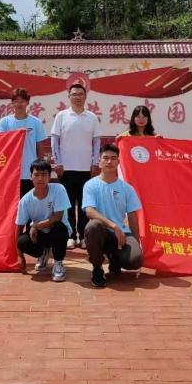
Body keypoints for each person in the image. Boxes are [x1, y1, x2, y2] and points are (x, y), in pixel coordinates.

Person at [83, 143, 143, 288]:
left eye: (113, 158)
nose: (109, 161)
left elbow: (133, 216)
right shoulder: (90, 185)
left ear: (118, 162)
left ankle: (114, 258)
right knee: (93, 226)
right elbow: (89, 211)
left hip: (121, 234)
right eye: (106, 158)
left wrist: (136, 242)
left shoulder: (127, 188)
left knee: (135, 260)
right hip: (102, 232)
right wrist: (113, 226)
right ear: (99, 162)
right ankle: (97, 268)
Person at [51, 83, 101, 250]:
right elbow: (54, 140)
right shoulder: (62, 116)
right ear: (69, 97)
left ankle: (84, 236)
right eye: (74, 94)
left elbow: (96, 141)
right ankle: (71, 236)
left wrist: (95, 162)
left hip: (86, 169)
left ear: (85, 96)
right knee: (69, 204)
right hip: (66, 168)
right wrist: (57, 162)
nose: (77, 97)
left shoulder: (92, 117)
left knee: (85, 204)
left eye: (80, 94)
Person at [15, 159, 71, 281]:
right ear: (31, 177)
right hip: (39, 234)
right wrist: (20, 256)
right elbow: (19, 227)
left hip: (57, 231)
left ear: (49, 177)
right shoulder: (25, 201)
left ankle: (58, 263)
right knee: (22, 241)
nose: (40, 178)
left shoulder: (59, 189)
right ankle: (42, 253)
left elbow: (58, 216)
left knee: (59, 228)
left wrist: (35, 226)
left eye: (44, 175)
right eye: (36, 174)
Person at [0, 87, 47, 197]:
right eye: (16, 101)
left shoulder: (36, 122)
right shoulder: (5, 122)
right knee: (11, 202)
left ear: (27, 102)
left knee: (31, 201)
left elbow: (40, 145)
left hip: (30, 171)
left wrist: (40, 167)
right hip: (11, 171)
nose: (19, 104)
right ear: (12, 103)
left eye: (22, 101)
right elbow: (1, 143)